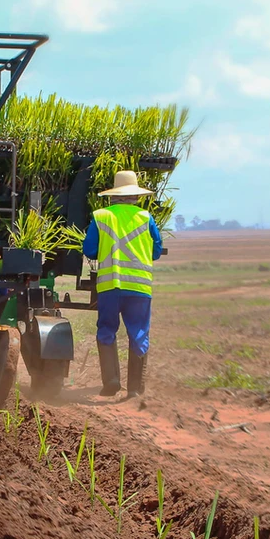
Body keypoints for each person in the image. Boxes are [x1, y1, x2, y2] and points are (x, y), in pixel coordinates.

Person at [82, 170, 163, 399]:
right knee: (138, 333)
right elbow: (156, 250)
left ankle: (112, 382)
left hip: (110, 286)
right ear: (136, 196)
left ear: (113, 196)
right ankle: (135, 389)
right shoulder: (146, 218)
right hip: (139, 288)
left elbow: (89, 250)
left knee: (107, 330)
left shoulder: (101, 216)